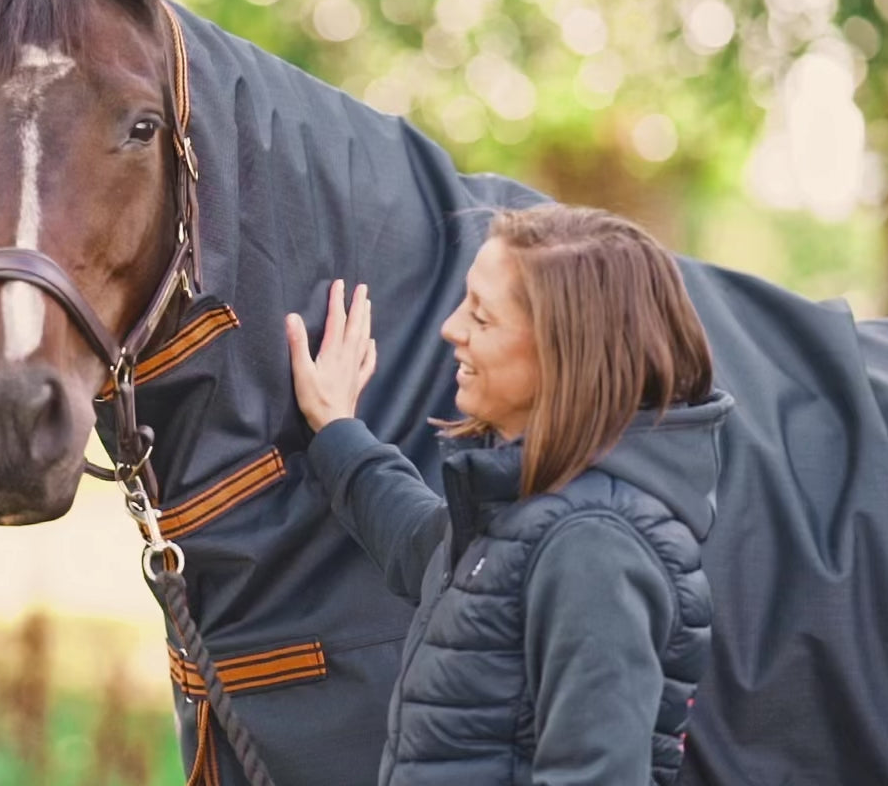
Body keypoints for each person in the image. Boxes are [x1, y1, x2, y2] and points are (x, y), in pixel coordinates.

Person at [284, 204, 731, 785]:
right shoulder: (537, 513)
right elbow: (423, 546)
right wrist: (335, 426)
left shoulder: (593, 547)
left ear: (564, 352)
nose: (451, 328)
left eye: (483, 317)